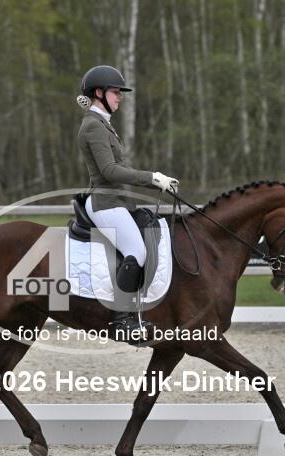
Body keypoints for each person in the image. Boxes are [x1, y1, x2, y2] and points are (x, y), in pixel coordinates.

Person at [76, 65, 179, 345]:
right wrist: (151, 178)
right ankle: (122, 320)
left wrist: (153, 182)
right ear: (99, 93)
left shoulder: (103, 124)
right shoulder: (93, 126)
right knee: (137, 250)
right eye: (115, 92)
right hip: (105, 203)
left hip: (117, 202)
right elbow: (109, 171)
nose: (120, 97)